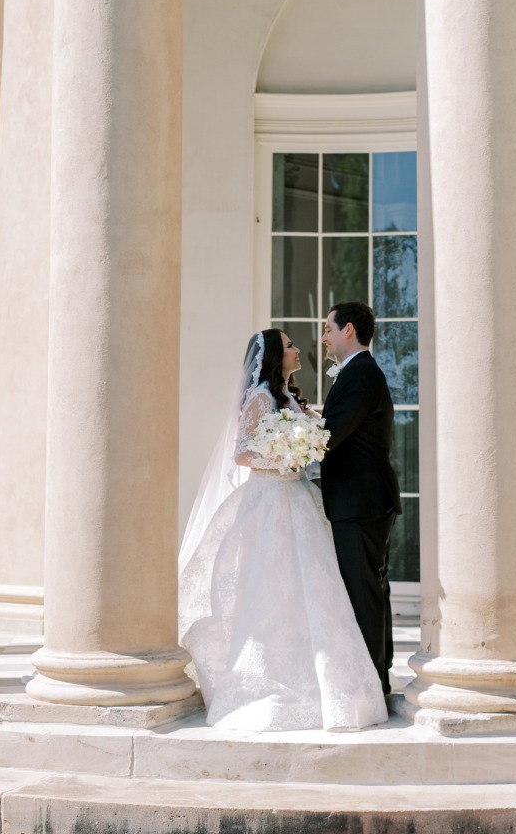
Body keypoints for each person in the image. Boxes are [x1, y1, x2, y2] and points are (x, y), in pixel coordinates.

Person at [178, 328, 387, 732]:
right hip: (270, 501)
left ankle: (329, 686)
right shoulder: (260, 397)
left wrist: (301, 452)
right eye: (290, 345)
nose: (297, 349)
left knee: (313, 590)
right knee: (272, 592)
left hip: (299, 501)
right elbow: (243, 452)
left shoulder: (290, 397)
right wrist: (285, 457)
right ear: (275, 356)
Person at [320, 302, 402, 698]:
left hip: (361, 501)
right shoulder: (356, 374)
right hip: (360, 499)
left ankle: (372, 683)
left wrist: (291, 440)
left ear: (348, 330)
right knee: (371, 589)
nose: (323, 337)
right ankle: (378, 676)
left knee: (364, 591)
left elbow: (331, 434)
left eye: (328, 329)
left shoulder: (361, 375)